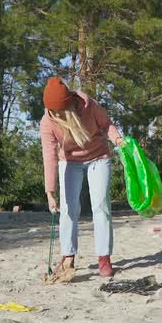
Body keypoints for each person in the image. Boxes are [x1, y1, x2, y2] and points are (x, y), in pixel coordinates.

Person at [40, 77, 123, 277]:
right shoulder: (47, 122)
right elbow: (49, 156)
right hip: (69, 162)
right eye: (52, 112)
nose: (55, 115)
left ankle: (104, 258)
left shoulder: (89, 106)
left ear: (68, 104)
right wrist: (50, 192)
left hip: (98, 157)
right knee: (68, 208)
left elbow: (107, 124)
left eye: (59, 111)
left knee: (101, 205)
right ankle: (68, 257)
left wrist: (118, 139)